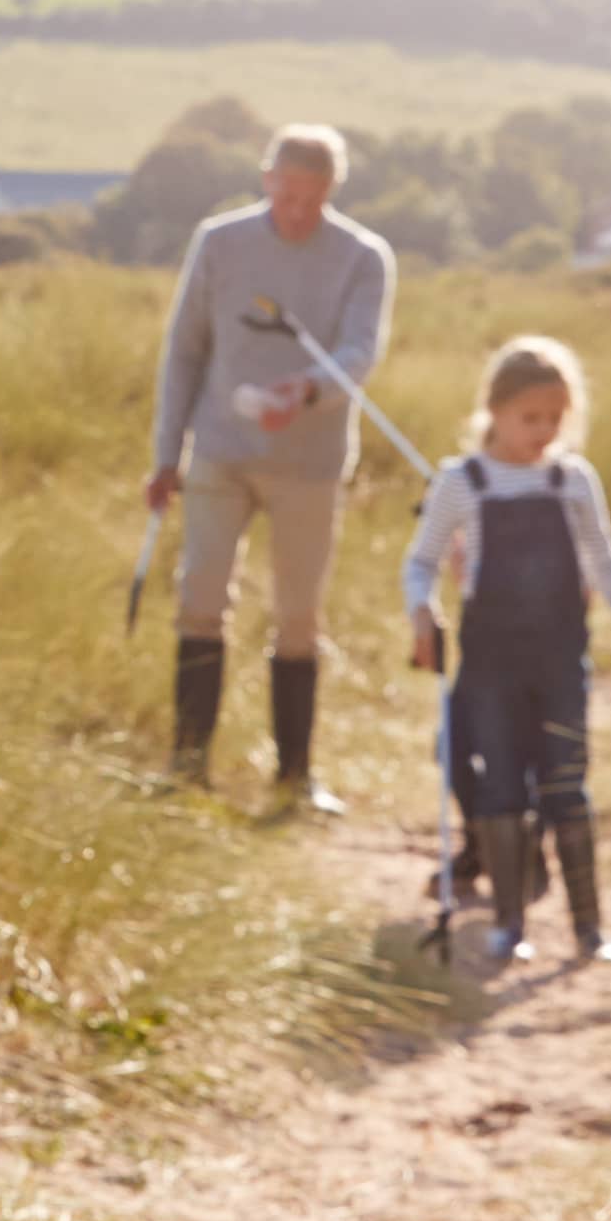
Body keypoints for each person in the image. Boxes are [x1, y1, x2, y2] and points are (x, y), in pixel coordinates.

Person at [401, 334, 611, 965]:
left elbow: (608, 567)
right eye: (529, 418)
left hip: (561, 661)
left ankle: (591, 928)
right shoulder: (462, 481)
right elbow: (420, 562)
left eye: (555, 419)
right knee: (500, 783)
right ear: (495, 410)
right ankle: (510, 924)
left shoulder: (573, 480)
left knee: (568, 784)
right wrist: (421, 611)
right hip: (489, 667)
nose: (542, 431)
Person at [144, 122, 393, 808]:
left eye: (310, 201)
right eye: (284, 196)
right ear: (265, 181)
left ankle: (295, 779)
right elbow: (184, 352)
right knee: (199, 601)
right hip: (218, 455)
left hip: (308, 465)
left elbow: (357, 353)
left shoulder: (362, 257)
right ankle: (186, 768)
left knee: (297, 615)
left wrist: (305, 391)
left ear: (330, 193)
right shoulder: (218, 243)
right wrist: (165, 455)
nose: (295, 213)